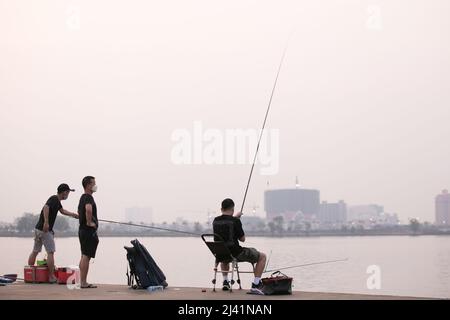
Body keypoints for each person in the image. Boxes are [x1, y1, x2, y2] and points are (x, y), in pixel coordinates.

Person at [213, 198, 267, 295]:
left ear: (221, 209)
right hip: (237, 253)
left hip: (221, 254)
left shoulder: (215, 221)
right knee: (262, 256)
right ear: (233, 209)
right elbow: (242, 239)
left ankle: (225, 281)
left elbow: (227, 223)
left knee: (224, 256)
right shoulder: (235, 221)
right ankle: (256, 284)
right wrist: (236, 220)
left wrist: (235, 219)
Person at [28, 184, 79, 283]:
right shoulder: (54, 198)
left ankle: (30, 274)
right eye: (68, 192)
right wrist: (46, 222)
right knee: (50, 252)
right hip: (44, 230)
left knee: (35, 251)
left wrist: (74, 215)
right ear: (64, 192)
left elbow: (62, 211)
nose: (68, 194)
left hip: (38, 229)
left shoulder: (57, 202)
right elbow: (46, 207)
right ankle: (51, 277)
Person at [78, 176, 99, 289]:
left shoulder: (82, 197)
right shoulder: (88, 197)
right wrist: (90, 222)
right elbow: (89, 209)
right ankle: (83, 282)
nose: (95, 185)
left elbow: (80, 212)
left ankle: (82, 280)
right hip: (88, 232)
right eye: (93, 183)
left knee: (83, 255)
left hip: (82, 231)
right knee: (86, 256)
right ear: (88, 185)